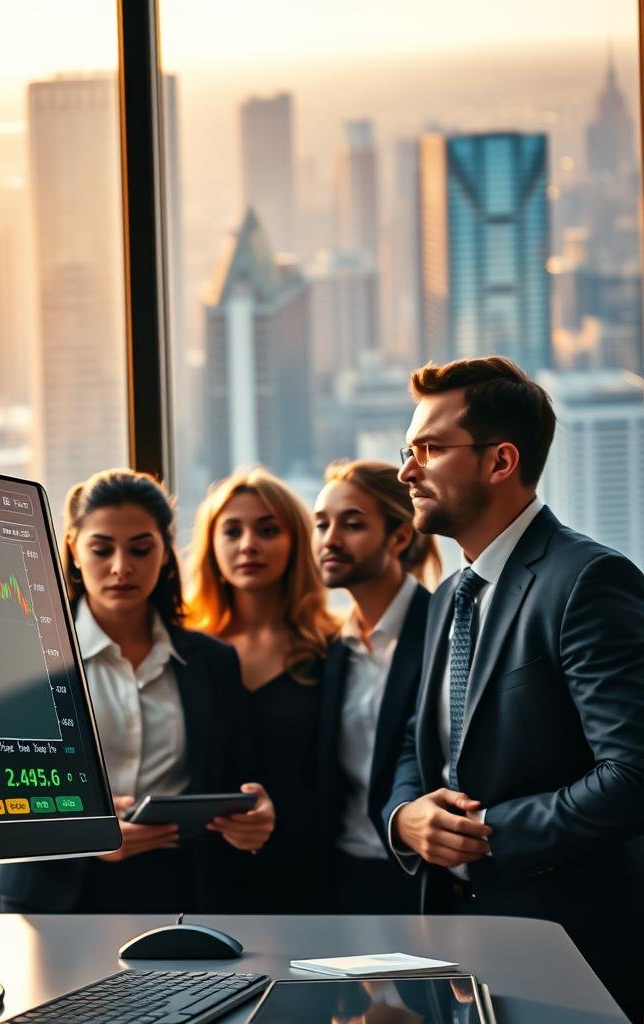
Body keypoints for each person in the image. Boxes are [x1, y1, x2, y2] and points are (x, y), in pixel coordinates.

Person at [383, 356, 644, 1019]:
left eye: (430, 450)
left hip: (569, 953)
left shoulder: (588, 581)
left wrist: (488, 830)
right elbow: (425, 748)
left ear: (501, 462)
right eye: (407, 451)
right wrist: (406, 818)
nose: (406, 472)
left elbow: (633, 774)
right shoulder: (448, 596)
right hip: (455, 954)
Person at [0, 469, 274, 913]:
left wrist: (255, 818)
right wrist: (84, 833)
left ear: (165, 551)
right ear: (74, 552)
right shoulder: (25, 656)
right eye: (102, 549)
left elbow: (239, 779)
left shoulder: (213, 661)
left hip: (182, 887)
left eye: (141, 549)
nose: (122, 567)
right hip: (55, 889)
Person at [185, 466, 338, 911]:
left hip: (304, 868)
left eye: (268, 529)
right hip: (198, 873)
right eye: (231, 531)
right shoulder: (183, 652)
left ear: (296, 541)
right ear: (211, 545)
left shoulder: (331, 650)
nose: (248, 544)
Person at [313, 460, 440, 914]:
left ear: (400, 536)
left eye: (351, 524)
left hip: (426, 874)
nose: (329, 540)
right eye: (321, 524)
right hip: (346, 874)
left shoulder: (443, 630)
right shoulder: (332, 649)